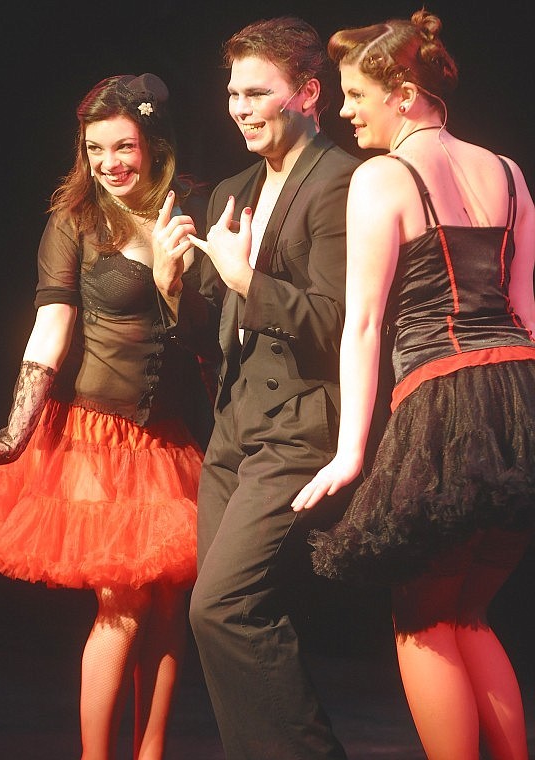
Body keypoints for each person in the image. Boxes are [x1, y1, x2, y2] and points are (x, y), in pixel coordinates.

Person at [0, 73, 215, 760]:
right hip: (97, 434)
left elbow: (216, 334)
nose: (110, 163)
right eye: (95, 149)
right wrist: (10, 433)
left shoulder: (198, 207)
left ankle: (151, 752)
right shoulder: (77, 220)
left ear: (156, 144)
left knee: (172, 603)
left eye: (124, 146)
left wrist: (180, 286)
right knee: (123, 599)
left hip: (169, 435)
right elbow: (50, 327)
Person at [292, 10, 535, 760]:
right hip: (520, 395)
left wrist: (348, 453)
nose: (345, 109)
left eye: (356, 93)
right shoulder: (507, 170)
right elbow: (526, 313)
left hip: (446, 397)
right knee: (470, 616)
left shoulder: (382, 177)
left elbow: (363, 325)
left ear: (402, 93)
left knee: (423, 621)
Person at [153, 16, 361, 759]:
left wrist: (248, 279)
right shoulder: (234, 190)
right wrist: (176, 287)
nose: (239, 108)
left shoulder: (343, 184)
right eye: (233, 93)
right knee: (226, 615)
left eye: (256, 92)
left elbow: (340, 323)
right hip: (235, 424)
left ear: (308, 94)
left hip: (302, 420)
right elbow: (216, 330)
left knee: (223, 605)